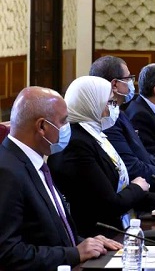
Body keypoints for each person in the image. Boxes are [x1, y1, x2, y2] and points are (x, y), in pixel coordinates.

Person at [0, 87, 122, 270]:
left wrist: (86, 243)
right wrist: (74, 253)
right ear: (42, 126)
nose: (67, 127)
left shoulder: (33, 161)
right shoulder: (7, 171)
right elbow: (8, 253)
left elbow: (48, 233)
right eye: (64, 121)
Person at [47, 76, 155, 237]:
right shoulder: (76, 144)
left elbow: (119, 188)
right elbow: (109, 204)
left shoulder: (96, 136)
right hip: (99, 238)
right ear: (92, 105)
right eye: (110, 103)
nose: (113, 109)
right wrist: (138, 187)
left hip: (120, 228)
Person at [90, 56, 155, 189]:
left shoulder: (119, 113)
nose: (132, 82)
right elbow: (133, 167)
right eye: (128, 78)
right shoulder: (108, 121)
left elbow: (145, 156)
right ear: (115, 85)